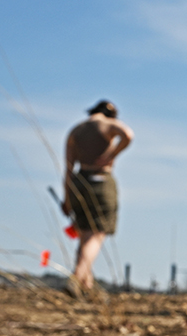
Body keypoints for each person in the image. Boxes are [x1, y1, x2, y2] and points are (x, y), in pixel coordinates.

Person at [63, 99, 134, 299]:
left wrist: (67, 198)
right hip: (100, 181)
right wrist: (113, 153)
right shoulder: (107, 124)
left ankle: (87, 286)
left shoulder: (75, 131)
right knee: (97, 235)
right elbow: (128, 135)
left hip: (79, 182)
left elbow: (68, 170)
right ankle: (77, 277)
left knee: (85, 236)